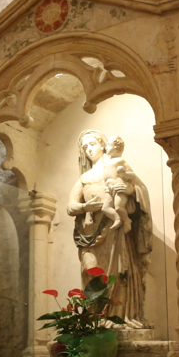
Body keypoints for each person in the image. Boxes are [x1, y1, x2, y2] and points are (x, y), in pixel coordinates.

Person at [66, 129, 152, 329]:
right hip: (90, 236)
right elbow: (70, 206)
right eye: (85, 147)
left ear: (102, 144)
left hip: (115, 232)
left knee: (118, 273)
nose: (88, 149)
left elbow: (139, 188)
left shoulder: (116, 166)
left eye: (92, 144)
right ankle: (95, 320)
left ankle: (119, 317)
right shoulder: (84, 178)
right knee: (91, 272)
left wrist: (130, 190)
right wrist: (86, 207)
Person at [99, 135, 135, 233]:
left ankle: (127, 220)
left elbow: (132, 176)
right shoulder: (107, 162)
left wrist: (123, 173)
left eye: (109, 145)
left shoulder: (120, 161)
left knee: (119, 207)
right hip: (109, 188)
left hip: (118, 186)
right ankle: (117, 219)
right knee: (105, 208)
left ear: (117, 148)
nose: (105, 148)